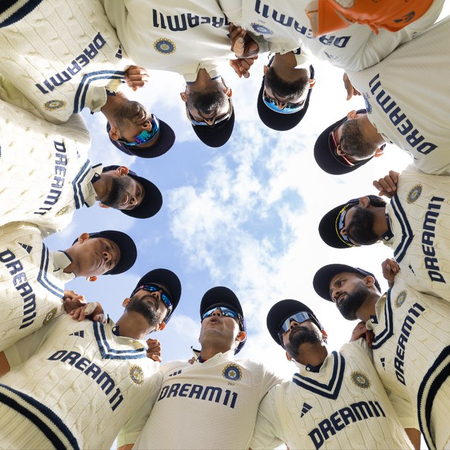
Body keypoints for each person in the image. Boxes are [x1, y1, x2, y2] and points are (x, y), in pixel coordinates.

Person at [0, 268, 182, 449]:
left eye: (166, 299)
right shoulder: (73, 318)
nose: (157, 294)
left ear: (161, 326)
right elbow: (8, 359)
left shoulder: (152, 378)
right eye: (149, 288)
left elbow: (129, 443)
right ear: (126, 301)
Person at [0, 0, 175, 158]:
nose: (147, 126)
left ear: (115, 134)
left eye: (143, 137)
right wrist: (134, 57)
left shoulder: (56, 112)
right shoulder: (128, 54)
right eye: (154, 124)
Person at [117, 286, 282, 450]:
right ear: (200, 331)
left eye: (227, 312)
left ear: (240, 335)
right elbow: (133, 423)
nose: (216, 313)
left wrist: (254, 444)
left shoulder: (257, 373)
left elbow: (293, 405)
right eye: (208, 313)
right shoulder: (168, 369)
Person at [313, 263, 450, 449]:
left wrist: (404, 267)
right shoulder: (374, 358)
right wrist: (355, 349)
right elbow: (407, 420)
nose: (335, 293)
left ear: (369, 281)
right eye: (332, 295)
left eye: (340, 283)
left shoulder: (407, 285)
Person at [101, 0, 260, 147]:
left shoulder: (142, 56)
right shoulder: (239, 36)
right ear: (229, 93)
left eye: (199, 122)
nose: (210, 121)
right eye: (221, 119)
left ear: (183, 97)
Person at [0, 98, 162, 236]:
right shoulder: (79, 137)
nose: (134, 200)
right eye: (138, 192)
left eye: (132, 205)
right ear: (123, 171)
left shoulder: (57, 221)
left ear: (105, 206)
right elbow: (35, 92)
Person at [314, 16, 450, 175]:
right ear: (378, 154)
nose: (340, 151)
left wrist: (349, 62)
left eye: (334, 142)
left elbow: (409, 16)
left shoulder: (360, 70)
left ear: (351, 114)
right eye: (346, 159)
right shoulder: (432, 164)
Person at [318, 164, 450, 300]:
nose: (343, 231)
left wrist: (404, 182)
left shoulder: (409, 179)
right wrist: (398, 285)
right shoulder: (407, 271)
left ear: (363, 201)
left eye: (342, 221)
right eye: (347, 239)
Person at [0, 222, 137, 351]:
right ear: (83, 237)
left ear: (93, 277)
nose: (108, 256)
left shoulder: (57, 311)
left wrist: (87, 321)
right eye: (106, 247)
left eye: (110, 264)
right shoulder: (27, 235)